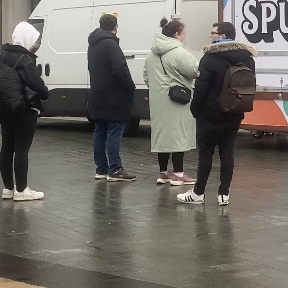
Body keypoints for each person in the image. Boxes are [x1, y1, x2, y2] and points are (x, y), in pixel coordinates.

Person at [177, 22, 256, 206]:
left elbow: (201, 89)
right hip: (235, 113)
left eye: (213, 33)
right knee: (227, 152)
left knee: (205, 153)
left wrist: (195, 110)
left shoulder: (210, 58)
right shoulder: (248, 58)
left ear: (222, 36)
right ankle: (224, 194)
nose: (211, 36)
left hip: (210, 115)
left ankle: (198, 193)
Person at [143, 18, 200, 186]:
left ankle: (162, 174)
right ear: (176, 34)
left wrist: (159, 89)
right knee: (178, 136)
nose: (184, 37)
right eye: (183, 34)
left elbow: (147, 77)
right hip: (177, 100)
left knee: (162, 136)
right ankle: (179, 174)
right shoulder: (180, 53)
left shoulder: (151, 54)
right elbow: (194, 71)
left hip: (158, 101)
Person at [0, 22, 49, 201]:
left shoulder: (3, 55)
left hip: (5, 107)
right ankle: (22, 190)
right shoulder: (24, 59)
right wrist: (45, 92)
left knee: (6, 147)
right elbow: (36, 84)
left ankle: (8, 189)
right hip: (24, 108)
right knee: (22, 148)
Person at [88, 13, 137, 181]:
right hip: (114, 97)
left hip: (97, 95)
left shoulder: (93, 44)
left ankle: (101, 169)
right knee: (115, 131)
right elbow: (120, 69)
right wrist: (131, 86)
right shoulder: (111, 44)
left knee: (100, 130)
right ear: (115, 27)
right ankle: (115, 169)